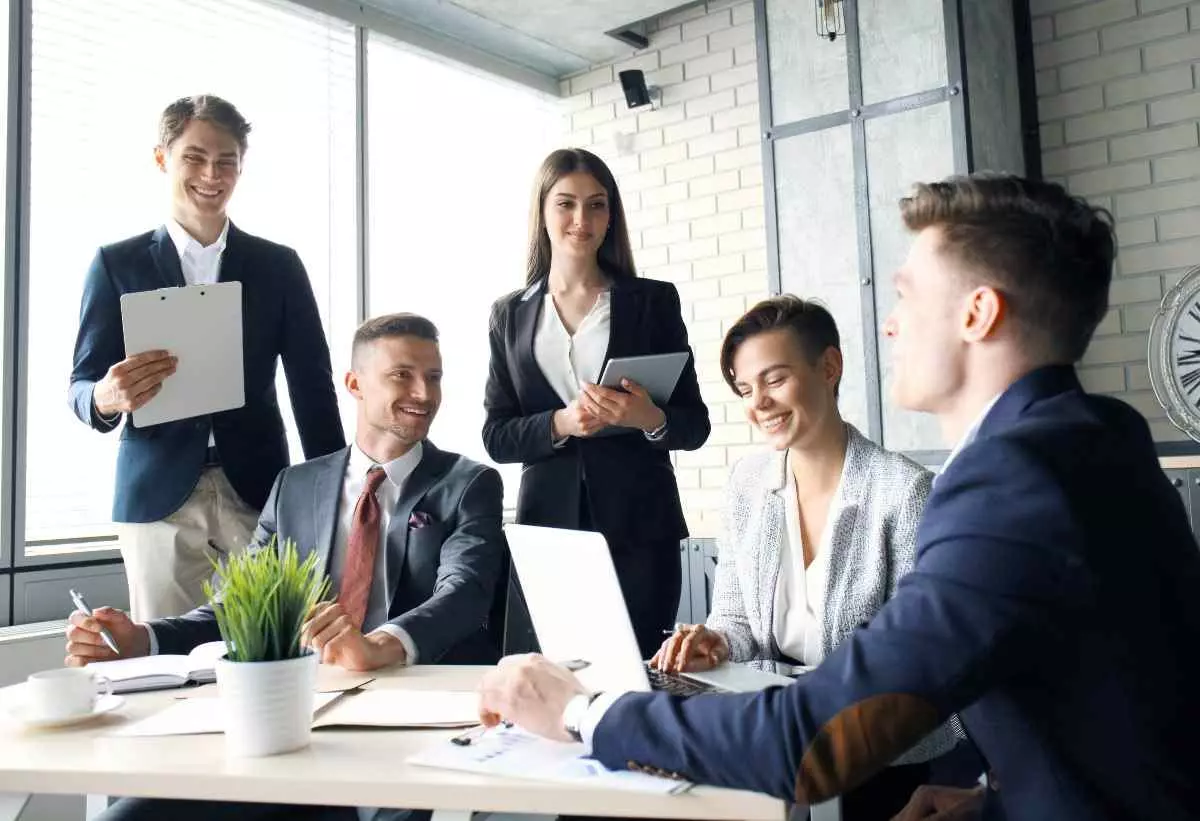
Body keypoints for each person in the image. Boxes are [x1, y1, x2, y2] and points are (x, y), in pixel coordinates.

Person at [476, 174, 1200, 820]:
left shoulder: (1009, 485)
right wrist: (993, 794)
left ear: (978, 314)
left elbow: (810, 741)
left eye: (907, 296)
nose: (890, 322)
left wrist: (581, 710)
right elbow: (1112, 711)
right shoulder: (1094, 437)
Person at [67, 313, 507, 821]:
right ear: (354, 384)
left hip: (407, 728)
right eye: (402, 375)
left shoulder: (470, 484)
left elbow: (464, 594)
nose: (423, 393)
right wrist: (141, 639)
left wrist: (378, 647)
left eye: (433, 377)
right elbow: (239, 610)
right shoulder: (295, 487)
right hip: (296, 723)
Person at [652, 295, 957, 819]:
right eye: (746, 389)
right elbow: (736, 619)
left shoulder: (904, 493)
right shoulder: (747, 484)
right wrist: (715, 642)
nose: (758, 403)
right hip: (777, 737)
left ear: (829, 368)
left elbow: (912, 666)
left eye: (774, 380)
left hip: (880, 756)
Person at [69, 94, 346, 621]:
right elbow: (81, 385)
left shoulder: (279, 266)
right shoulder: (115, 264)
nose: (210, 175)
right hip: (156, 498)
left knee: (270, 650)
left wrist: (333, 492)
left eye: (226, 162)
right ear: (162, 159)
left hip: (260, 493)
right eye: (194, 158)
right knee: (161, 661)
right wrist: (105, 397)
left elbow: (312, 388)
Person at [483, 147, 710, 658]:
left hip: (640, 526)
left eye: (597, 205)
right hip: (549, 530)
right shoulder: (509, 316)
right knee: (557, 680)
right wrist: (561, 422)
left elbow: (694, 425)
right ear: (542, 212)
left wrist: (647, 418)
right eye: (566, 204)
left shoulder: (652, 302)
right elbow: (496, 436)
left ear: (612, 216)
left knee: (639, 673)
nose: (581, 220)